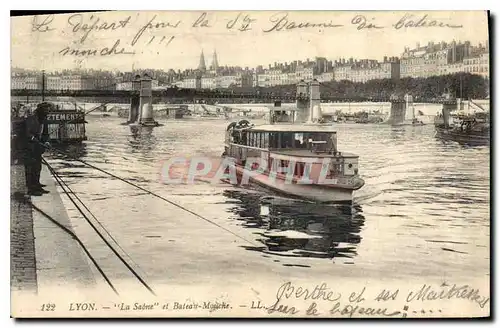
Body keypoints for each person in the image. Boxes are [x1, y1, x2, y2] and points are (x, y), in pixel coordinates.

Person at [24, 102, 52, 196]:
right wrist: (36, 140)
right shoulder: (31, 119)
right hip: (29, 147)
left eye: (48, 110)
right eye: (46, 110)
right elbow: (28, 134)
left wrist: (47, 142)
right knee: (30, 168)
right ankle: (31, 189)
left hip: (37, 147)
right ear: (40, 110)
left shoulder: (44, 120)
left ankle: (37, 185)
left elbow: (46, 134)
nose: (47, 112)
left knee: (37, 167)